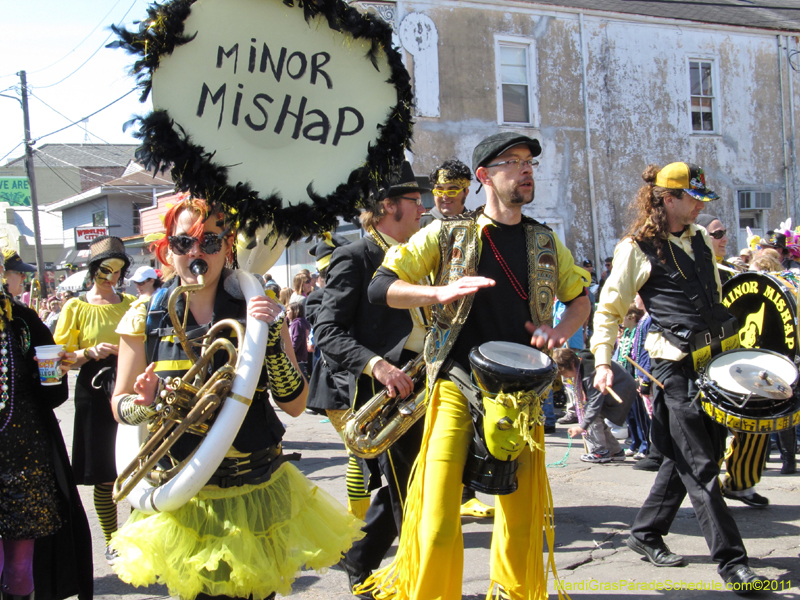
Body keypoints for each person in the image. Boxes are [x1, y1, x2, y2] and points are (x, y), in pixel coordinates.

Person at [362, 132, 590, 599]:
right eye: (514, 162)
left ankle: (515, 593)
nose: (526, 170)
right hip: (455, 383)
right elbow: (381, 286)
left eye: (529, 163)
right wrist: (437, 292)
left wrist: (560, 332)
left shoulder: (545, 241)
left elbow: (580, 299)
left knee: (523, 519)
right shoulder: (447, 233)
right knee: (436, 517)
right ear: (485, 176)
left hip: (521, 394)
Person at [106, 195, 363, 600]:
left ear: (227, 247)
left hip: (254, 488)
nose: (196, 252)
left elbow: (295, 404)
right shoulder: (146, 315)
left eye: (209, 241)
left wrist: (271, 339)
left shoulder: (258, 307)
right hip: (184, 496)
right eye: (184, 242)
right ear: (166, 251)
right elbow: (121, 406)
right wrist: (146, 405)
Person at [591, 162, 768, 591]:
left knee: (686, 455)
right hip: (673, 367)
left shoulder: (702, 237)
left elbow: (714, 293)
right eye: (693, 199)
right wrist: (602, 361)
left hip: (714, 361)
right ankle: (733, 564)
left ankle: (645, 532)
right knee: (702, 464)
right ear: (667, 199)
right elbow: (609, 310)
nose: (699, 207)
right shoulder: (635, 248)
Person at [313, 162, 428, 599]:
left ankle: (359, 560)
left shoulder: (420, 252)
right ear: (388, 206)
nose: (423, 208)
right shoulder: (355, 256)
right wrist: (377, 365)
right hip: (388, 389)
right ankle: (420, 584)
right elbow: (327, 331)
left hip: (426, 378)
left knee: (418, 484)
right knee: (412, 491)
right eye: (415, 201)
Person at [0, 250, 93, 600]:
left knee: (20, 569)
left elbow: (52, 394)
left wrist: (55, 371)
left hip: (24, 462)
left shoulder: (22, 322)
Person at [53, 236, 136, 563]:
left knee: (136, 469)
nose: (112, 277)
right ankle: (112, 540)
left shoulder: (132, 303)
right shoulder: (75, 307)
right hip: (93, 390)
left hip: (130, 388)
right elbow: (59, 360)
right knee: (104, 473)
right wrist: (89, 352)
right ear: (93, 270)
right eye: (106, 269)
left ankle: (135, 537)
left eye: (118, 270)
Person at [554, 348, 635, 463]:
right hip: (621, 386)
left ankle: (599, 451)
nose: (566, 377)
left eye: (565, 373)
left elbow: (594, 403)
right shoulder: (580, 361)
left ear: (571, 364)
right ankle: (615, 450)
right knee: (593, 415)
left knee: (590, 414)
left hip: (620, 390)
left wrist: (582, 427)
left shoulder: (589, 372)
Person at [419, 158, 472, 228]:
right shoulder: (420, 224)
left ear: (466, 192)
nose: (445, 196)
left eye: (452, 191)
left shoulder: (476, 223)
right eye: (440, 191)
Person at [287, 301, 311, 378]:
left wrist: (291, 352)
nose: (286, 313)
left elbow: (297, 339)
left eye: (288, 310)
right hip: (301, 357)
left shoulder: (297, 324)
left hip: (297, 358)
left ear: (295, 311)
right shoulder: (302, 322)